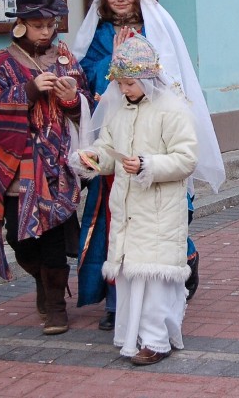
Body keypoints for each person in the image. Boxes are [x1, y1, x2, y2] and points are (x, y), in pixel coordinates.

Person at [72, 0, 225, 329]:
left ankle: (170, 283)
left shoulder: (157, 27)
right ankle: (116, 302)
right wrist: (111, 70)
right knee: (113, 218)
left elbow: (170, 75)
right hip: (115, 128)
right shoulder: (99, 32)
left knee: (156, 218)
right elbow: (85, 69)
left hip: (152, 133)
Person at [72, 34, 198, 366]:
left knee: (154, 277)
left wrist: (149, 164)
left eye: (129, 83)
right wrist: (92, 160)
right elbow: (107, 150)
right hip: (129, 208)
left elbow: (187, 158)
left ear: (146, 78)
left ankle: (156, 341)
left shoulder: (172, 109)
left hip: (159, 208)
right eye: (121, 83)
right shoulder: (120, 111)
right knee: (132, 275)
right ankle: (136, 335)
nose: (124, 89)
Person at [0, 0, 91, 335]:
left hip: (56, 164)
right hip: (16, 164)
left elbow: (83, 109)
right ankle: (43, 283)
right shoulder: (2, 61)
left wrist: (71, 97)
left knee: (54, 233)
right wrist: (27, 91)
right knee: (20, 238)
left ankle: (56, 307)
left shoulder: (65, 57)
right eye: (37, 25)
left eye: (50, 25)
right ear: (20, 25)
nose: (45, 32)